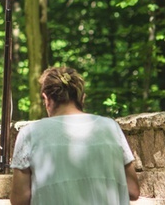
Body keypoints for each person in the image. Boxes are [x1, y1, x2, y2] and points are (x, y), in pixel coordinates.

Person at [9, 66, 141, 205]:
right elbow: (133, 190)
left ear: (46, 99)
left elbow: (19, 200)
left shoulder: (30, 133)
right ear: (81, 97)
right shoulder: (111, 128)